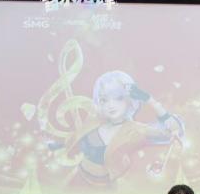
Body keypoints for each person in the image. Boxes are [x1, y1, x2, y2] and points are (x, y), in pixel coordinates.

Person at [51, 70, 183, 185]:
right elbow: (76, 140)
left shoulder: (136, 130)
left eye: (118, 98)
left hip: (104, 189)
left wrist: (149, 100)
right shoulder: (95, 122)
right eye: (104, 100)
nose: (110, 105)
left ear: (130, 99)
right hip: (76, 179)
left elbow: (173, 132)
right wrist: (58, 146)